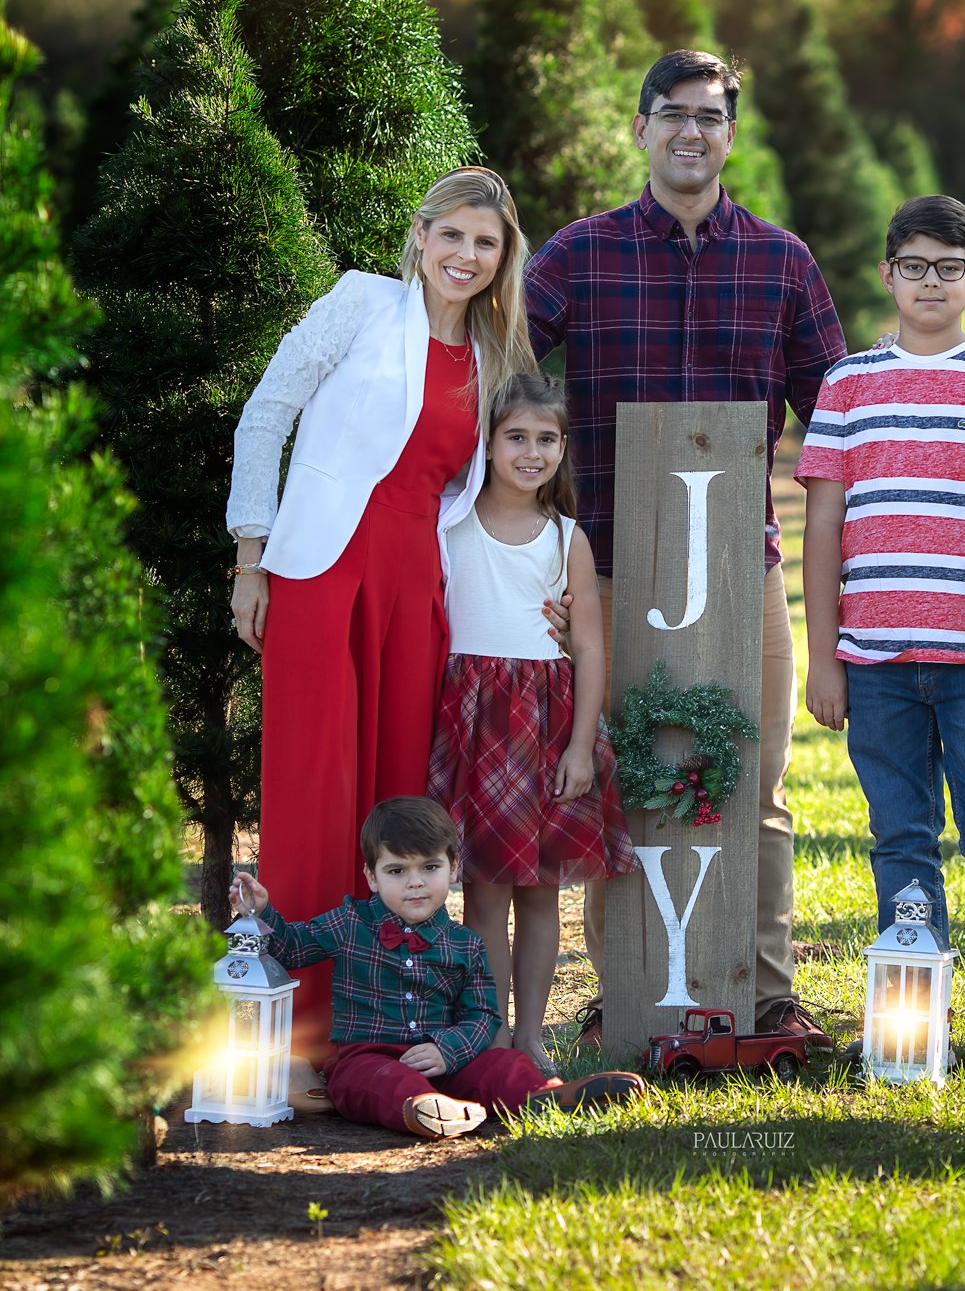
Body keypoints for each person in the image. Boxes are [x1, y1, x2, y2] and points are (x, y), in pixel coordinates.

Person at [525, 48, 847, 1050]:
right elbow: (499, 385)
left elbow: (832, 416)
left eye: (710, 115)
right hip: (610, 570)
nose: (691, 131)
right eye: (672, 114)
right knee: (624, 782)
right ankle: (628, 989)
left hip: (738, 574)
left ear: (732, 134)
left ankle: (763, 994)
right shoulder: (578, 256)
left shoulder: (782, 261)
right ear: (641, 128)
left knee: (755, 787)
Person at [226, 167, 535, 1073]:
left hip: (416, 582)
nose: (467, 257)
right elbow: (266, 415)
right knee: (313, 786)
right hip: (321, 566)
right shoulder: (361, 304)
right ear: (422, 234)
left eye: (487, 245)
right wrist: (252, 558)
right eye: (454, 237)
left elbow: (485, 495)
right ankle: (301, 1032)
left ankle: (383, 1029)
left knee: (398, 796)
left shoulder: (492, 357)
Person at [798, 193, 965, 1011]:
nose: (929, 283)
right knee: (901, 841)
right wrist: (823, 659)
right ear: (887, 274)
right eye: (913, 267)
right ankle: (913, 1026)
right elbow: (824, 529)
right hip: (874, 665)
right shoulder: (848, 385)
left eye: (947, 268)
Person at [427, 374, 634, 1075]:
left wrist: (581, 744)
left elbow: (589, 646)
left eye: (547, 439)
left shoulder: (565, 536)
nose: (531, 452)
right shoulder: (448, 521)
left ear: (563, 450)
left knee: (539, 889)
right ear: (486, 443)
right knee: (483, 888)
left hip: (542, 721)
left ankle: (530, 1033)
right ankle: (485, 1028)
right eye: (516, 436)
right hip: (473, 719)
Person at [228, 798, 648, 1137]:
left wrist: (449, 1050)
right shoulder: (348, 923)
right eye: (397, 871)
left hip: (447, 1061)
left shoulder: (465, 945)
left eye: (430, 868)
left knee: (503, 1064)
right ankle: (425, 1111)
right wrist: (264, 912)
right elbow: (292, 948)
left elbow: (483, 1016)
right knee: (378, 1082)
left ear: (454, 869)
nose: (415, 882)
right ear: (372, 877)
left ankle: (546, 1097)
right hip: (367, 1057)